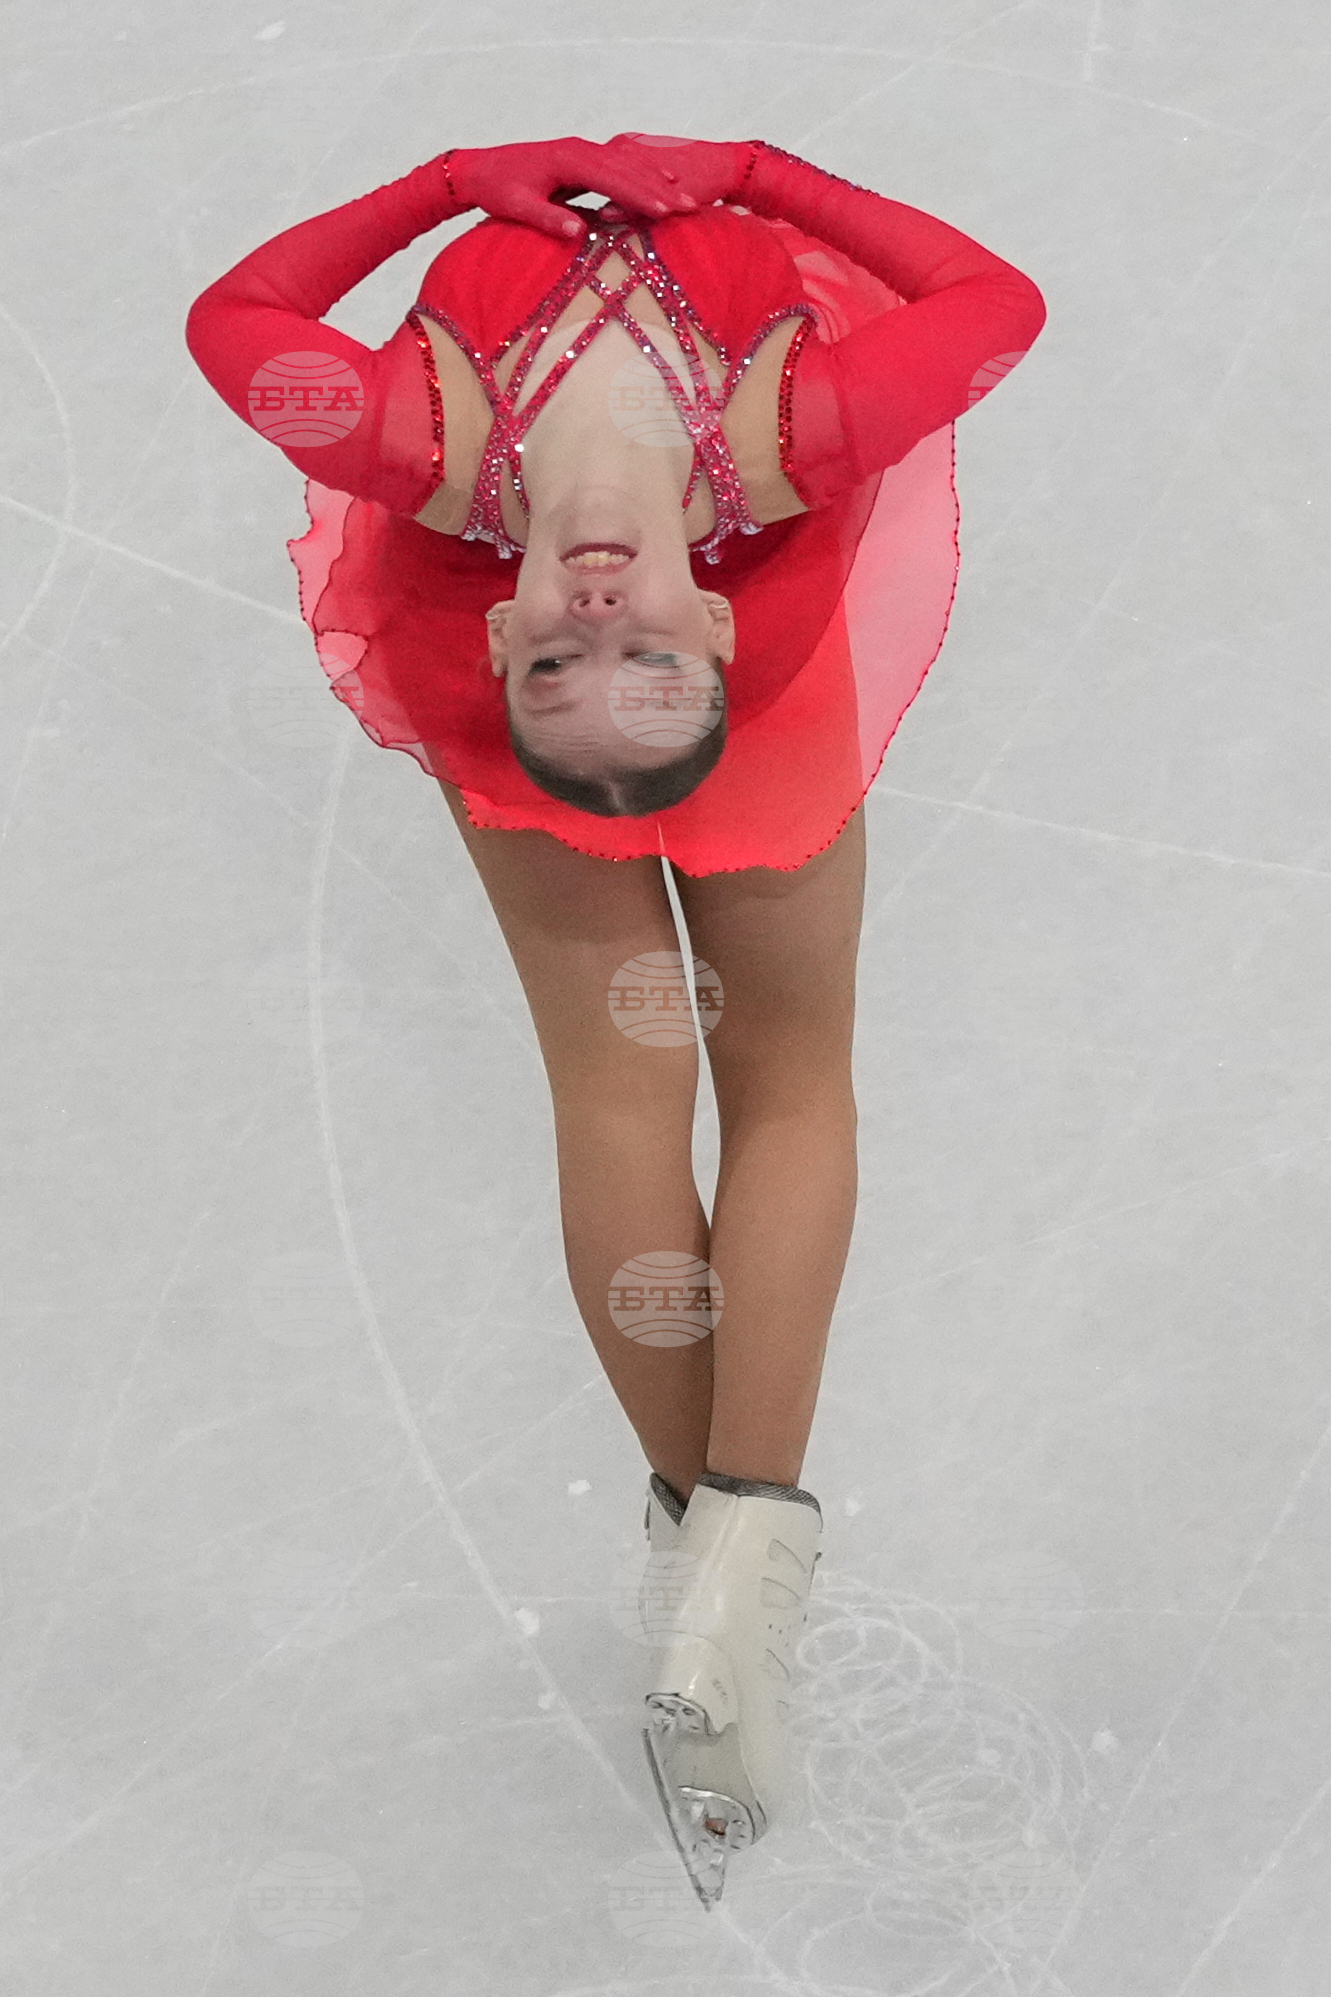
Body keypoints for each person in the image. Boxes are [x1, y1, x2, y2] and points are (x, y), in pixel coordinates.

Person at [184, 132, 1047, 1905]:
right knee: (740, 1082)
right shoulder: (782, 443)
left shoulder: (419, 446)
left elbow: (234, 318)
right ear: (706, 627)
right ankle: (740, 1572)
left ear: (503, 621)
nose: (596, 620)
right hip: (739, 713)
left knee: (656, 1081)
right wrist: (755, 182)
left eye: (571, 653)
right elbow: (995, 306)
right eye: (622, 650)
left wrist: (448, 188)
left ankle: (704, 1564)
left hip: (642, 718)